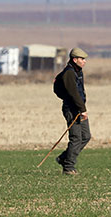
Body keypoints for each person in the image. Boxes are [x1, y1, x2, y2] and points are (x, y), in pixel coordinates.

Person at [56, 47, 91, 175]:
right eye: (82, 59)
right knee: (76, 137)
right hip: (72, 109)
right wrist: (82, 109)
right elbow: (73, 93)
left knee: (86, 136)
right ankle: (68, 167)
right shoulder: (69, 73)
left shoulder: (78, 71)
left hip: (79, 108)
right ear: (75, 59)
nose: (84, 61)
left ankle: (64, 158)